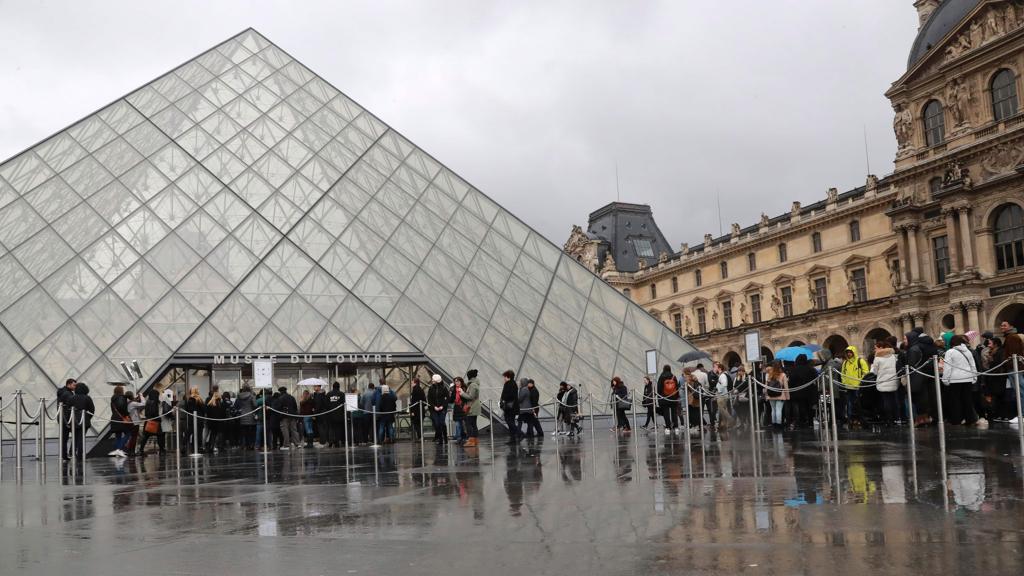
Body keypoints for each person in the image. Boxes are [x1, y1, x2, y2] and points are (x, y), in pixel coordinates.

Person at [943, 334, 984, 427]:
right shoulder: (968, 351)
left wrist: (945, 379)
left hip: (955, 379)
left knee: (955, 400)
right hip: (968, 378)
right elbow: (972, 365)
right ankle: (970, 419)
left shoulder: (950, 352)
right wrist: (974, 377)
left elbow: (948, 367)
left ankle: (956, 420)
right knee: (967, 400)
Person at [906, 331, 939, 426]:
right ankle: (929, 418)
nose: (904, 340)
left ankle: (921, 419)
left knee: (919, 399)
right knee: (930, 398)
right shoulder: (932, 347)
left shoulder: (914, 349)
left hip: (918, 376)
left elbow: (911, 364)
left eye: (905, 338)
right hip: (931, 375)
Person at [871, 340, 899, 426]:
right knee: (893, 400)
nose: (875, 350)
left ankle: (889, 419)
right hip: (893, 380)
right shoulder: (893, 356)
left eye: (876, 348)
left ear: (880, 348)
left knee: (886, 401)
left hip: (883, 381)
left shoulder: (877, 358)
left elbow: (874, 372)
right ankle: (896, 418)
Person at [840, 346, 870, 426]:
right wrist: (844, 382)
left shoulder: (860, 361)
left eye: (850, 352)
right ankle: (851, 419)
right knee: (850, 404)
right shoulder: (845, 363)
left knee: (858, 404)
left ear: (853, 352)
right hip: (848, 387)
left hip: (858, 387)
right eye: (847, 352)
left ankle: (860, 419)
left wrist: (860, 381)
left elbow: (866, 372)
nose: (849, 354)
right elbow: (843, 374)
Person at [1001, 320, 1023, 423]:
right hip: (1014, 367)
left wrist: (1010, 366)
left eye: (1004, 325)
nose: (1002, 327)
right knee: (1019, 391)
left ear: (1011, 326)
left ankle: (1022, 415)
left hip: (1015, 368)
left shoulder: (1012, 337)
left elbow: (1014, 355)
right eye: (1001, 326)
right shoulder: (1010, 337)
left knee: (1020, 391)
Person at [786, 355, 817, 429]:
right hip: (809, 392)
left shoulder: (794, 369)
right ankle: (810, 422)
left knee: (800, 408)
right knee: (809, 407)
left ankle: (801, 422)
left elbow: (791, 381)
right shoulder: (811, 369)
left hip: (798, 392)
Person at [136, 388, 163, 456]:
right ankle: (162, 449)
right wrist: (159, 418)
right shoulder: (155, 402)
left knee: (145, 436)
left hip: (148, 421)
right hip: (155, 421)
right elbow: (154, 412)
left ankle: (141, 449)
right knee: (159, 435)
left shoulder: (148, 402)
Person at [108, 385, 132, 458]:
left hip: (114, 418)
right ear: (121, 391)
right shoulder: (121, 397)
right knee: (128, 434)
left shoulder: (113, 399)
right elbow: (122, 407)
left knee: (118, 436)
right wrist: (127, 414)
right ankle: (119, 449)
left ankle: (118, 451)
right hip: (121, 419)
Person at [657, 365, 681, 435]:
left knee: (666, 413)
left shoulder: (661, 376)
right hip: (673, 397)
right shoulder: (673, 376)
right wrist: (676, 397)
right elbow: (677, 387)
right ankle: (676, 427)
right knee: (674, 412)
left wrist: (660, 397)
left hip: (665, 397)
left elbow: (659, 388)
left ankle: (668, 427)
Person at [765, 361, 789, 429]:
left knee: (773, 409)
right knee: (779, 410)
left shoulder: (769, 375)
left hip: (771, 395)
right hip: (780, 395)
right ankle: (778, 424)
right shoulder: (783, 375)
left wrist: (766, 396)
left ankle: (774, 424)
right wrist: (787, 397)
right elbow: (786, 386)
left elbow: (766, 386)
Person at [57, 378, 76, 460]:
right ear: (69, 384)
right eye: (74, 385)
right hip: (67, 418)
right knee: (68, 437)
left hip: (62, 418)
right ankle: (67, 454)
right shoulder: (68, 394)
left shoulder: (63, 392)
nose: (75, 387)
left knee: (64, 438)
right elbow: (73, 404)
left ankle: (64, 455)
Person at [182, 386, 205, 453]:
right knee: (198, 434)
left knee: (188, 432)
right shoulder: (199, 399)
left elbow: (187, 409)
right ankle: (198, 447)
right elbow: (203, 409)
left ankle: (184, 446)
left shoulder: (189, 399)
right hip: (199, 419)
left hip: (191, 419)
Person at [427, 374, 449, 444]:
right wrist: (434, 407)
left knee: (442, 423)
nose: (432, 381)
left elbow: (447, 398)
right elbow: (429, 399)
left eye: (433, 380)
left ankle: (445, 437)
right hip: (434, 409)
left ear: (437, 381)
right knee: (437, 423)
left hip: (442, 408)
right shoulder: (431, 388)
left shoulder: (444, 388)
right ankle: (440, 439)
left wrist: (442, 406)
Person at [500, 370, 521, 443]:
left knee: (509, 420)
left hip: (510, 406)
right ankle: (513, 439)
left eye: (505, 377)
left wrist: (504, 398)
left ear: (508, 377)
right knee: (511, 421)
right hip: (513, 406)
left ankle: (519, 433)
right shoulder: (513, 383)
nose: (504, 378)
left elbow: (510, 395)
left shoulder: (509, 384)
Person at [462, 370, 481, 446]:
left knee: (469, 424)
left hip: (472, 406)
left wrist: (462, 393)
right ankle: (475, 440)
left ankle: (471, 441)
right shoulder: (475, 384)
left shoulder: (472, 385)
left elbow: (471, 397)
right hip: (474, 406)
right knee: (473, 424)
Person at [324, 382, 345, 447]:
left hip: (330, 415)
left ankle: (330, 441)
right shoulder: (342, 394)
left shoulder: (328, 394)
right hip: (339, 415)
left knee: (331, 428)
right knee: (338, 428)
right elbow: (344, 404)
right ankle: (337, 442)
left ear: (333, 387)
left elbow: (326, 405)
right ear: (339, 387)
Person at [713, 364, 734, 430]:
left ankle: (730, 419)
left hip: (722, 395)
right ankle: (724, 424)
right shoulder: (722, 375)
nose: (714, 368)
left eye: (715, 367)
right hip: (724, 395)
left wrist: (718, 390)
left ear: (719, 368)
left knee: (721, 409)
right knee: (723, 409)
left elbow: (724, 384)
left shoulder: (722, 375)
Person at [450, 377, 467, 444]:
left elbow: (466, 398)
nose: (456, 383)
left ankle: (463, 436)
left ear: (461, 382)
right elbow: (451, 399)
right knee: (457, 423)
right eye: (455, 381)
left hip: (462, 407)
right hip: (457, 407)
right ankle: (459, 438)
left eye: (458, 381)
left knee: (463, 424)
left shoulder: (464, 388)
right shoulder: (453, 389)